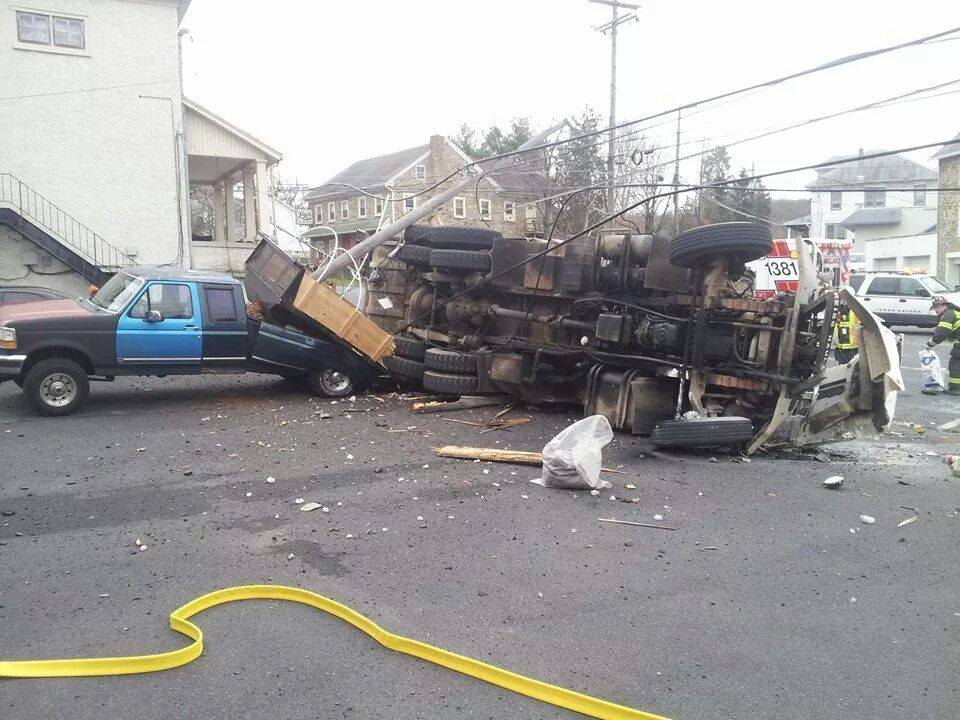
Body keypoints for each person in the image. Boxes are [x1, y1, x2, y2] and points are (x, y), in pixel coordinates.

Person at [927, 294, 960, 395]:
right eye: (934, 308)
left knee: (955, 364)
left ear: (943, 305)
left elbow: (942, 333)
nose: (936, 310)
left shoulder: (948, 315)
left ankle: (954, 389)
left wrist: (929, 344)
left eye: (937, 307)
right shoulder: (954, 313)